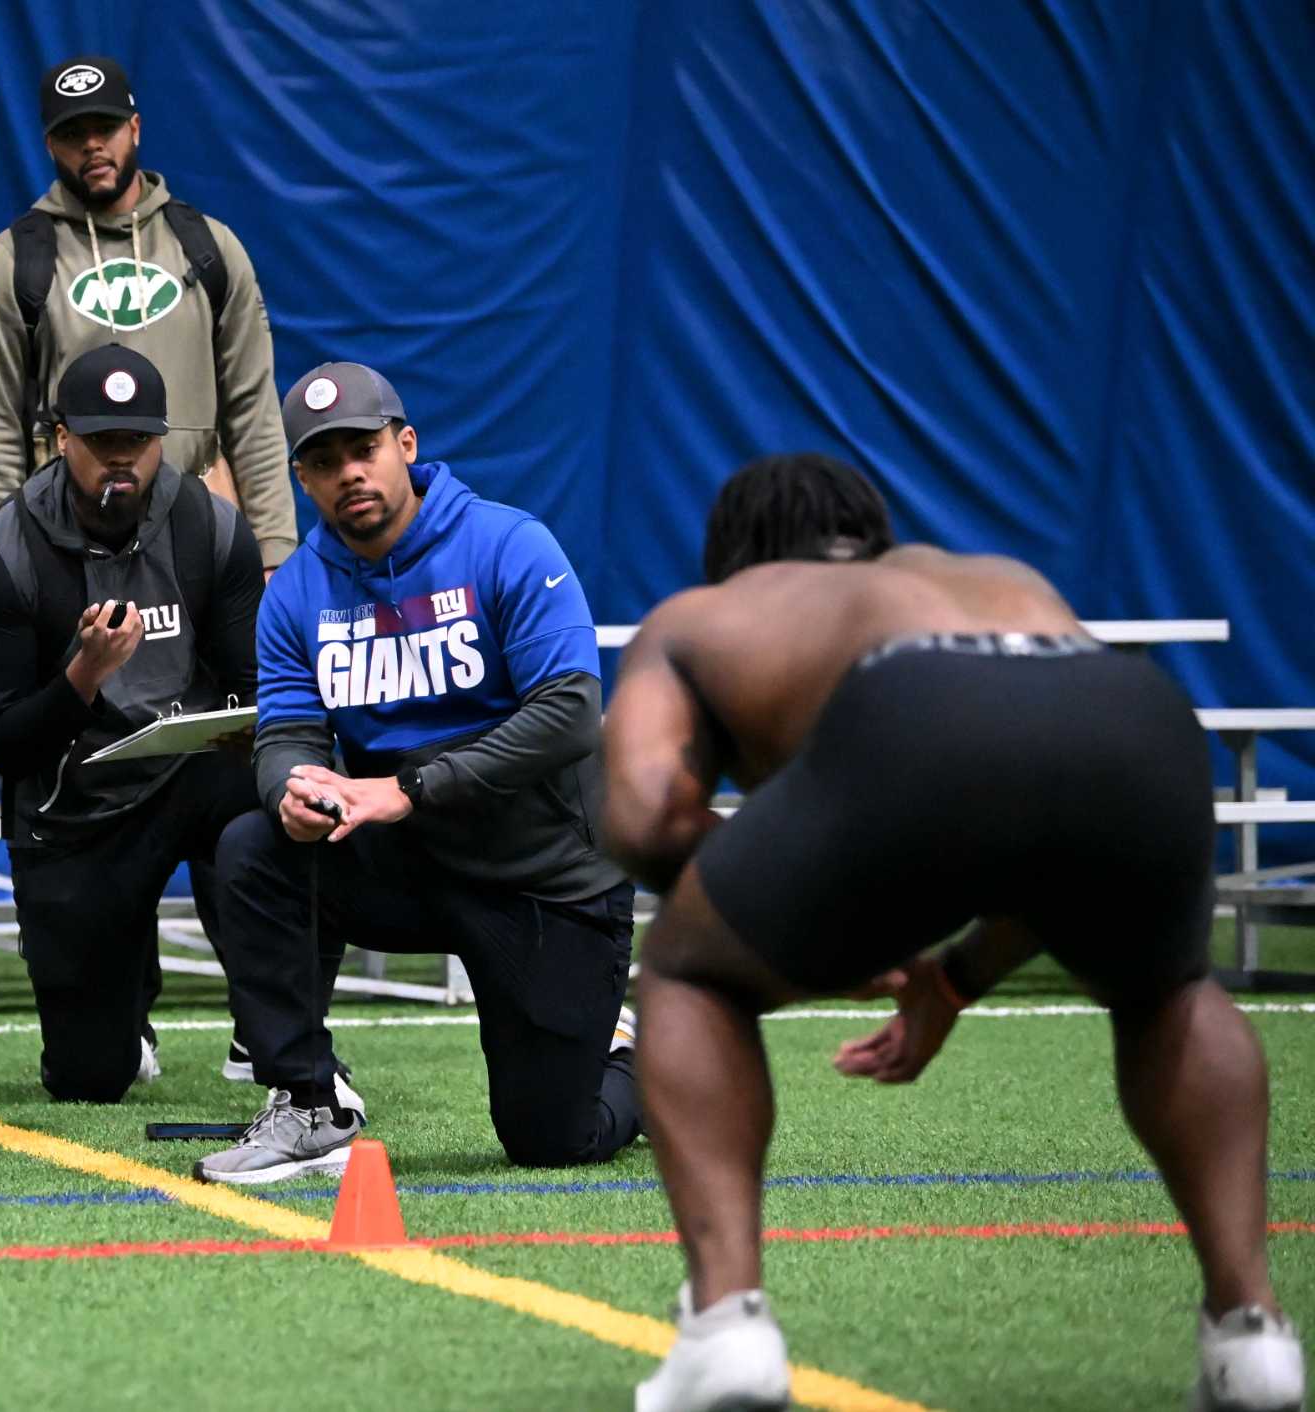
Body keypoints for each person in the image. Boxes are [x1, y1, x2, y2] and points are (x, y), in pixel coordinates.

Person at [602, 453, 1304, 1412]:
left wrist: (773, 917)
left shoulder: (707, 613)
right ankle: (1250, 1336)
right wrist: (956, 977)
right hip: (1134, 712)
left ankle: (724, 1329)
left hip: (915, 714)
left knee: (684, 972)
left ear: (737, 552)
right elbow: (1033, 820)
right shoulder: (995, 578)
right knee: (1167, 989)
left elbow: (642, 821)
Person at [194, 362, 643, 1185]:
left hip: (541, 876)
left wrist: (409, 788)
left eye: (364, 450)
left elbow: (570, 715)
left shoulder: (508, 544)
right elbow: (284, 734)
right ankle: (308, 1101)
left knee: (551, 1138)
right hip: (408, 866)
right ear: (302, 478)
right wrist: (294, 790)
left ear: (405, 445)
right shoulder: (296, 592)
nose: (349, 475)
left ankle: (632, 1058)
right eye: (324, 463)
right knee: (254, 844)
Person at [0, 344, 265, 1101]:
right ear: (61, 439)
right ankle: (123, 1000)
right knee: (91, 1078)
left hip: (188, 780)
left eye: (137, 442)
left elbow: (250, 686)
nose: (120, 461)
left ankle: (276, 1031)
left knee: (280, 792)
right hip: (76, 814)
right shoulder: (4, 553)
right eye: (101, 444)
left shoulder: (213, 530)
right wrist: (83, 677)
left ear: (163, 442)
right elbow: (6, 747)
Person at [0, 54, 296, 586]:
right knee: (84, 672)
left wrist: (274, 546)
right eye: (72, 133)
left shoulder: (208, 250)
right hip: (67, 537)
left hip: (199, 526)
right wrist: (10, 556)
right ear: (49, 145)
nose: (92, 145)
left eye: (106, 127)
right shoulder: (11, 263)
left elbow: (253, 408)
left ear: (135, 128)